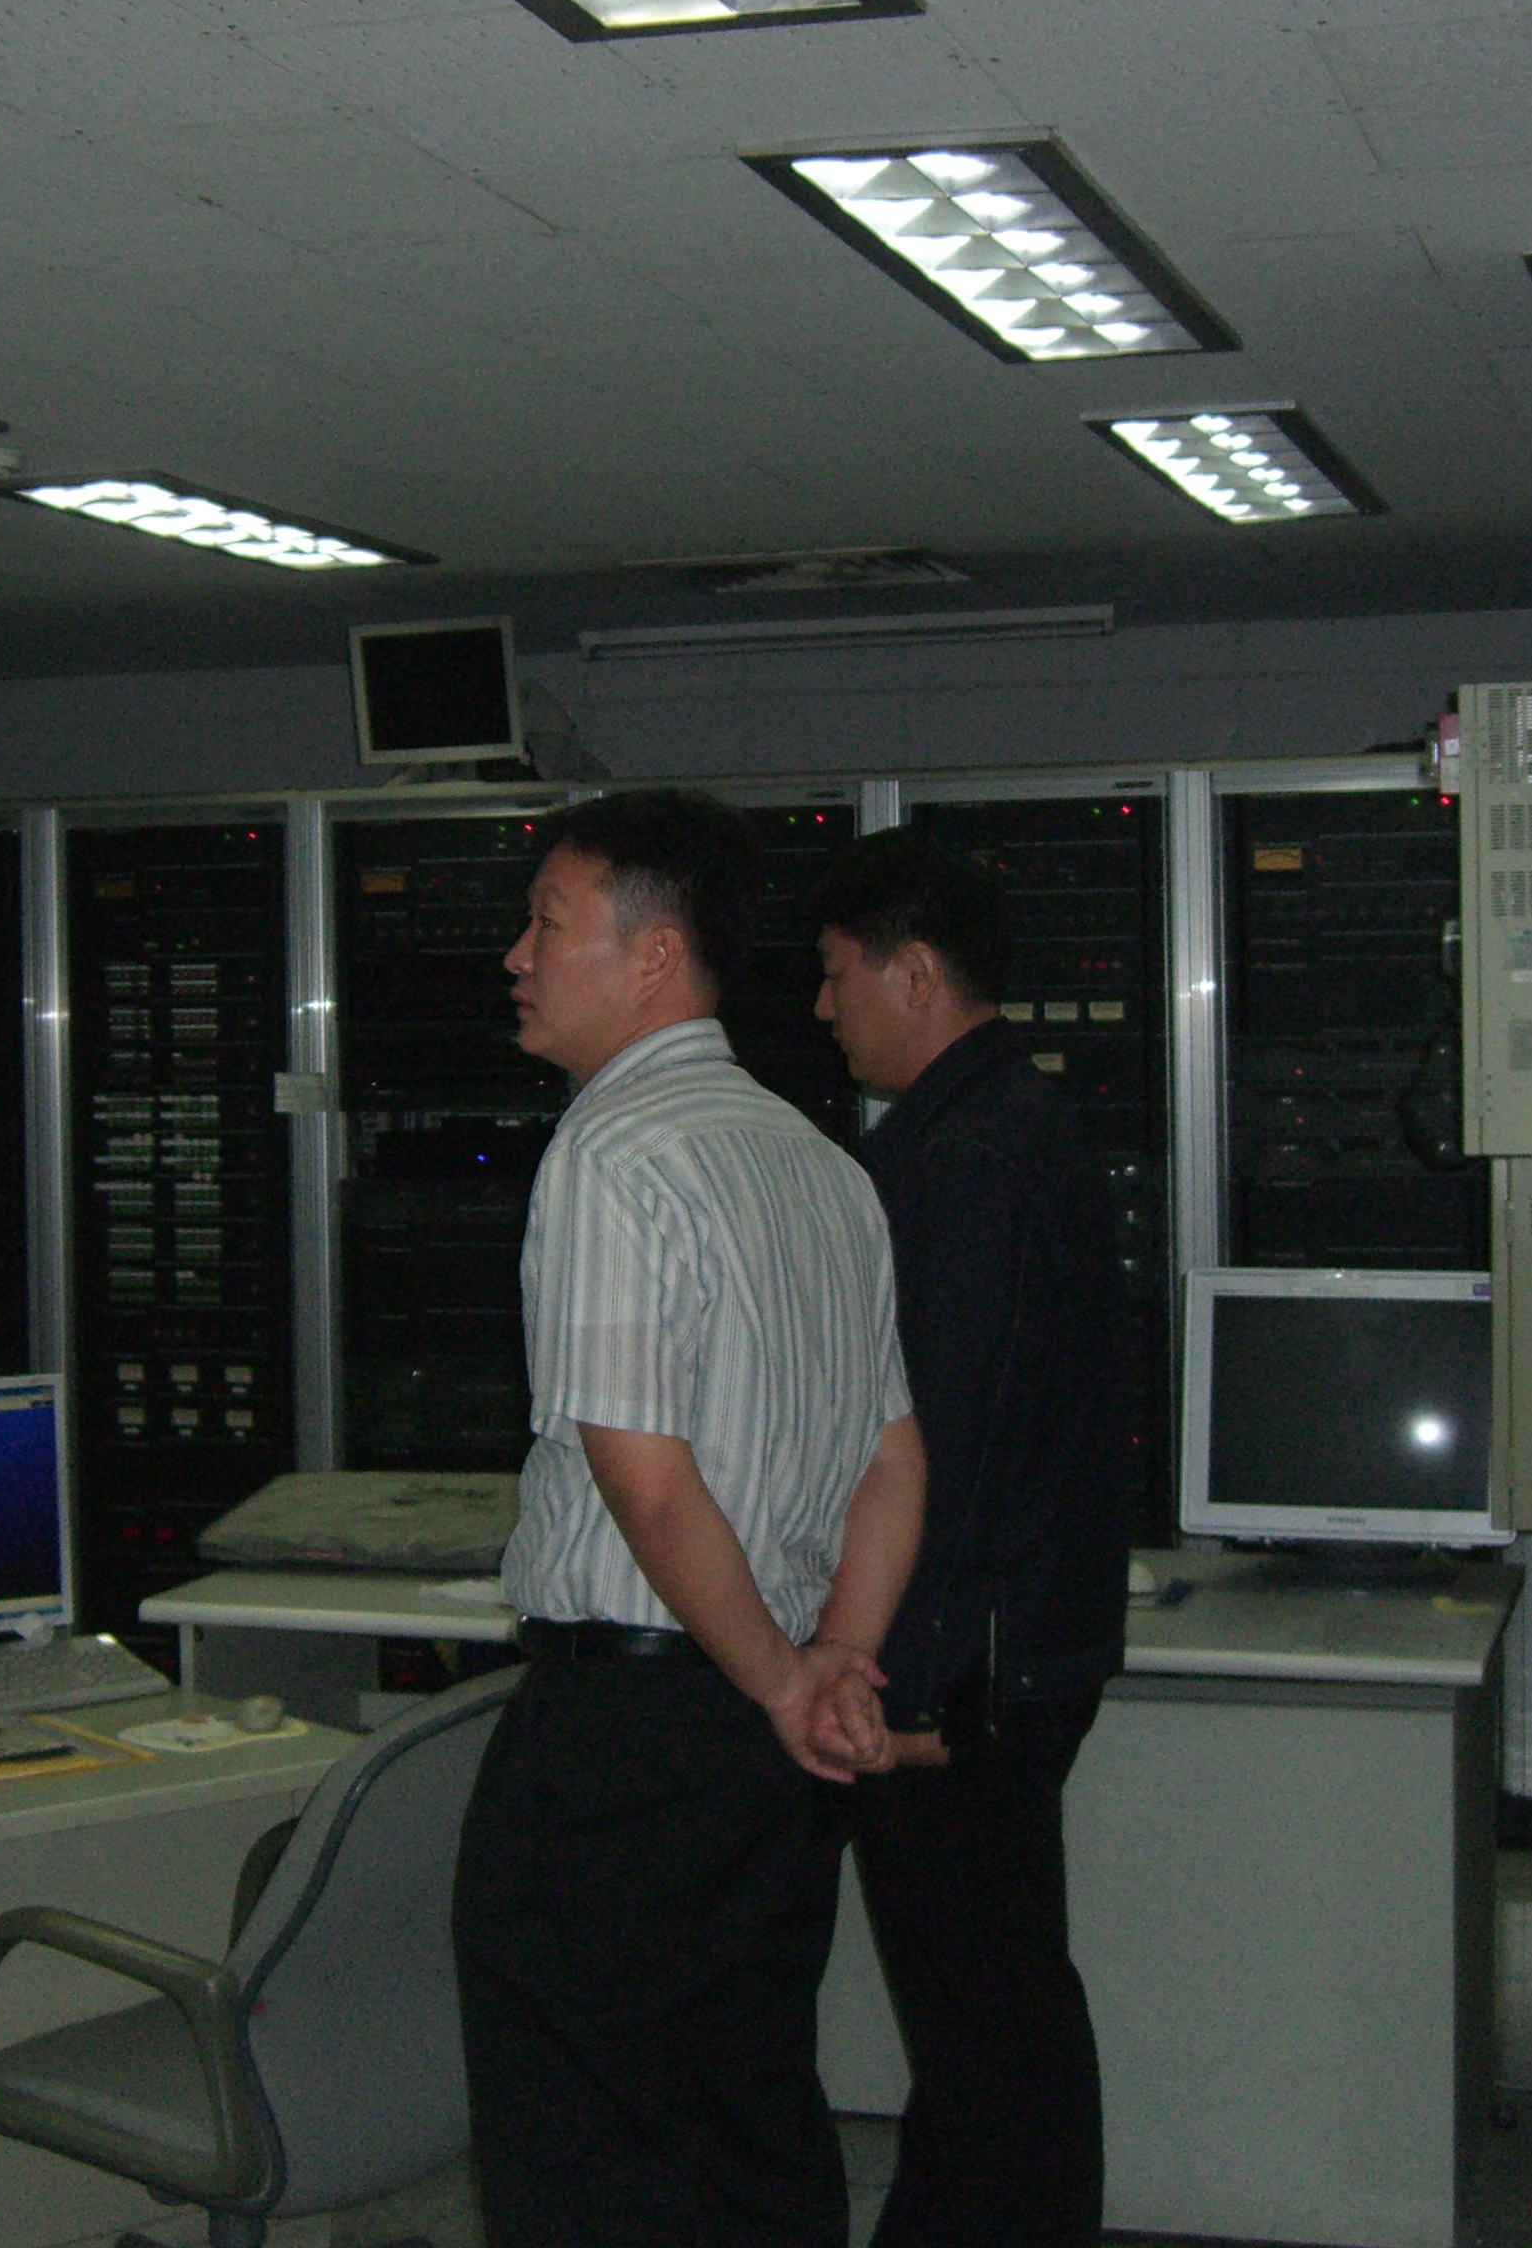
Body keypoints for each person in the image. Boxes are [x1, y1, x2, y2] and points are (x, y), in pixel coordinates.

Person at [455, 788, 928, 2248]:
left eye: (548, 924)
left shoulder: (612, 1153)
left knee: (591, 2160)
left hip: (631, 1744)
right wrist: (828, 1669)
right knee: (748, 2128)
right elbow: (894, 1460)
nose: (517, 957)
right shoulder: (822, 1165)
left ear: (655, 956)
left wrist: (791, 1678)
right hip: (765, 1753)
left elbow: (647, 1482)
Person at [806, 826, 1133, 2248]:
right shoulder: (989, 1126)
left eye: (839, 975)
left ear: (916, 975)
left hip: (964, 1676)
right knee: (982, 2029)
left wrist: (913, 1684)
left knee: (994, 2037)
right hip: (993, 1651)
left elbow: (956, 1440)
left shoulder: (974, 1157)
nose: (824, 1007)